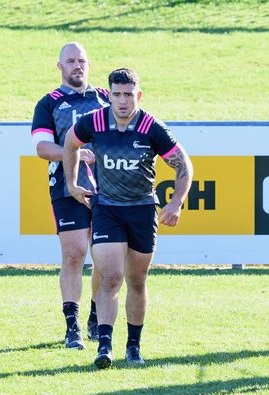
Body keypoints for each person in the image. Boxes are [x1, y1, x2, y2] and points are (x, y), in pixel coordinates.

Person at [63, 68, 193, 369]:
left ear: (139, 95)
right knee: (110, 276)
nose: (122, 101)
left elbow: (183, 165)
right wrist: (71, 185)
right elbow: (70, 144)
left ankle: (133, 347)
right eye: (117, 94)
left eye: (128, 95)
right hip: (106, 207)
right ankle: (105, 346)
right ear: (108, 94)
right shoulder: (94, 121)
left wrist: (176, 203)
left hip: (142, 209)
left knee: (136, 280)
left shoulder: (151, 127)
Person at [32, 42, 109, 349]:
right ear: (59, 66)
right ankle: (72, 326)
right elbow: (42, 148)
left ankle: (94, 314)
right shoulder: (49, 103)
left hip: (108, 188)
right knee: (74, 254)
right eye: (71, 61)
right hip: (66, 187)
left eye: (82, 61)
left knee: (104, 259)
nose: (78, 66)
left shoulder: (106, 97)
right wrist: (76, 152)